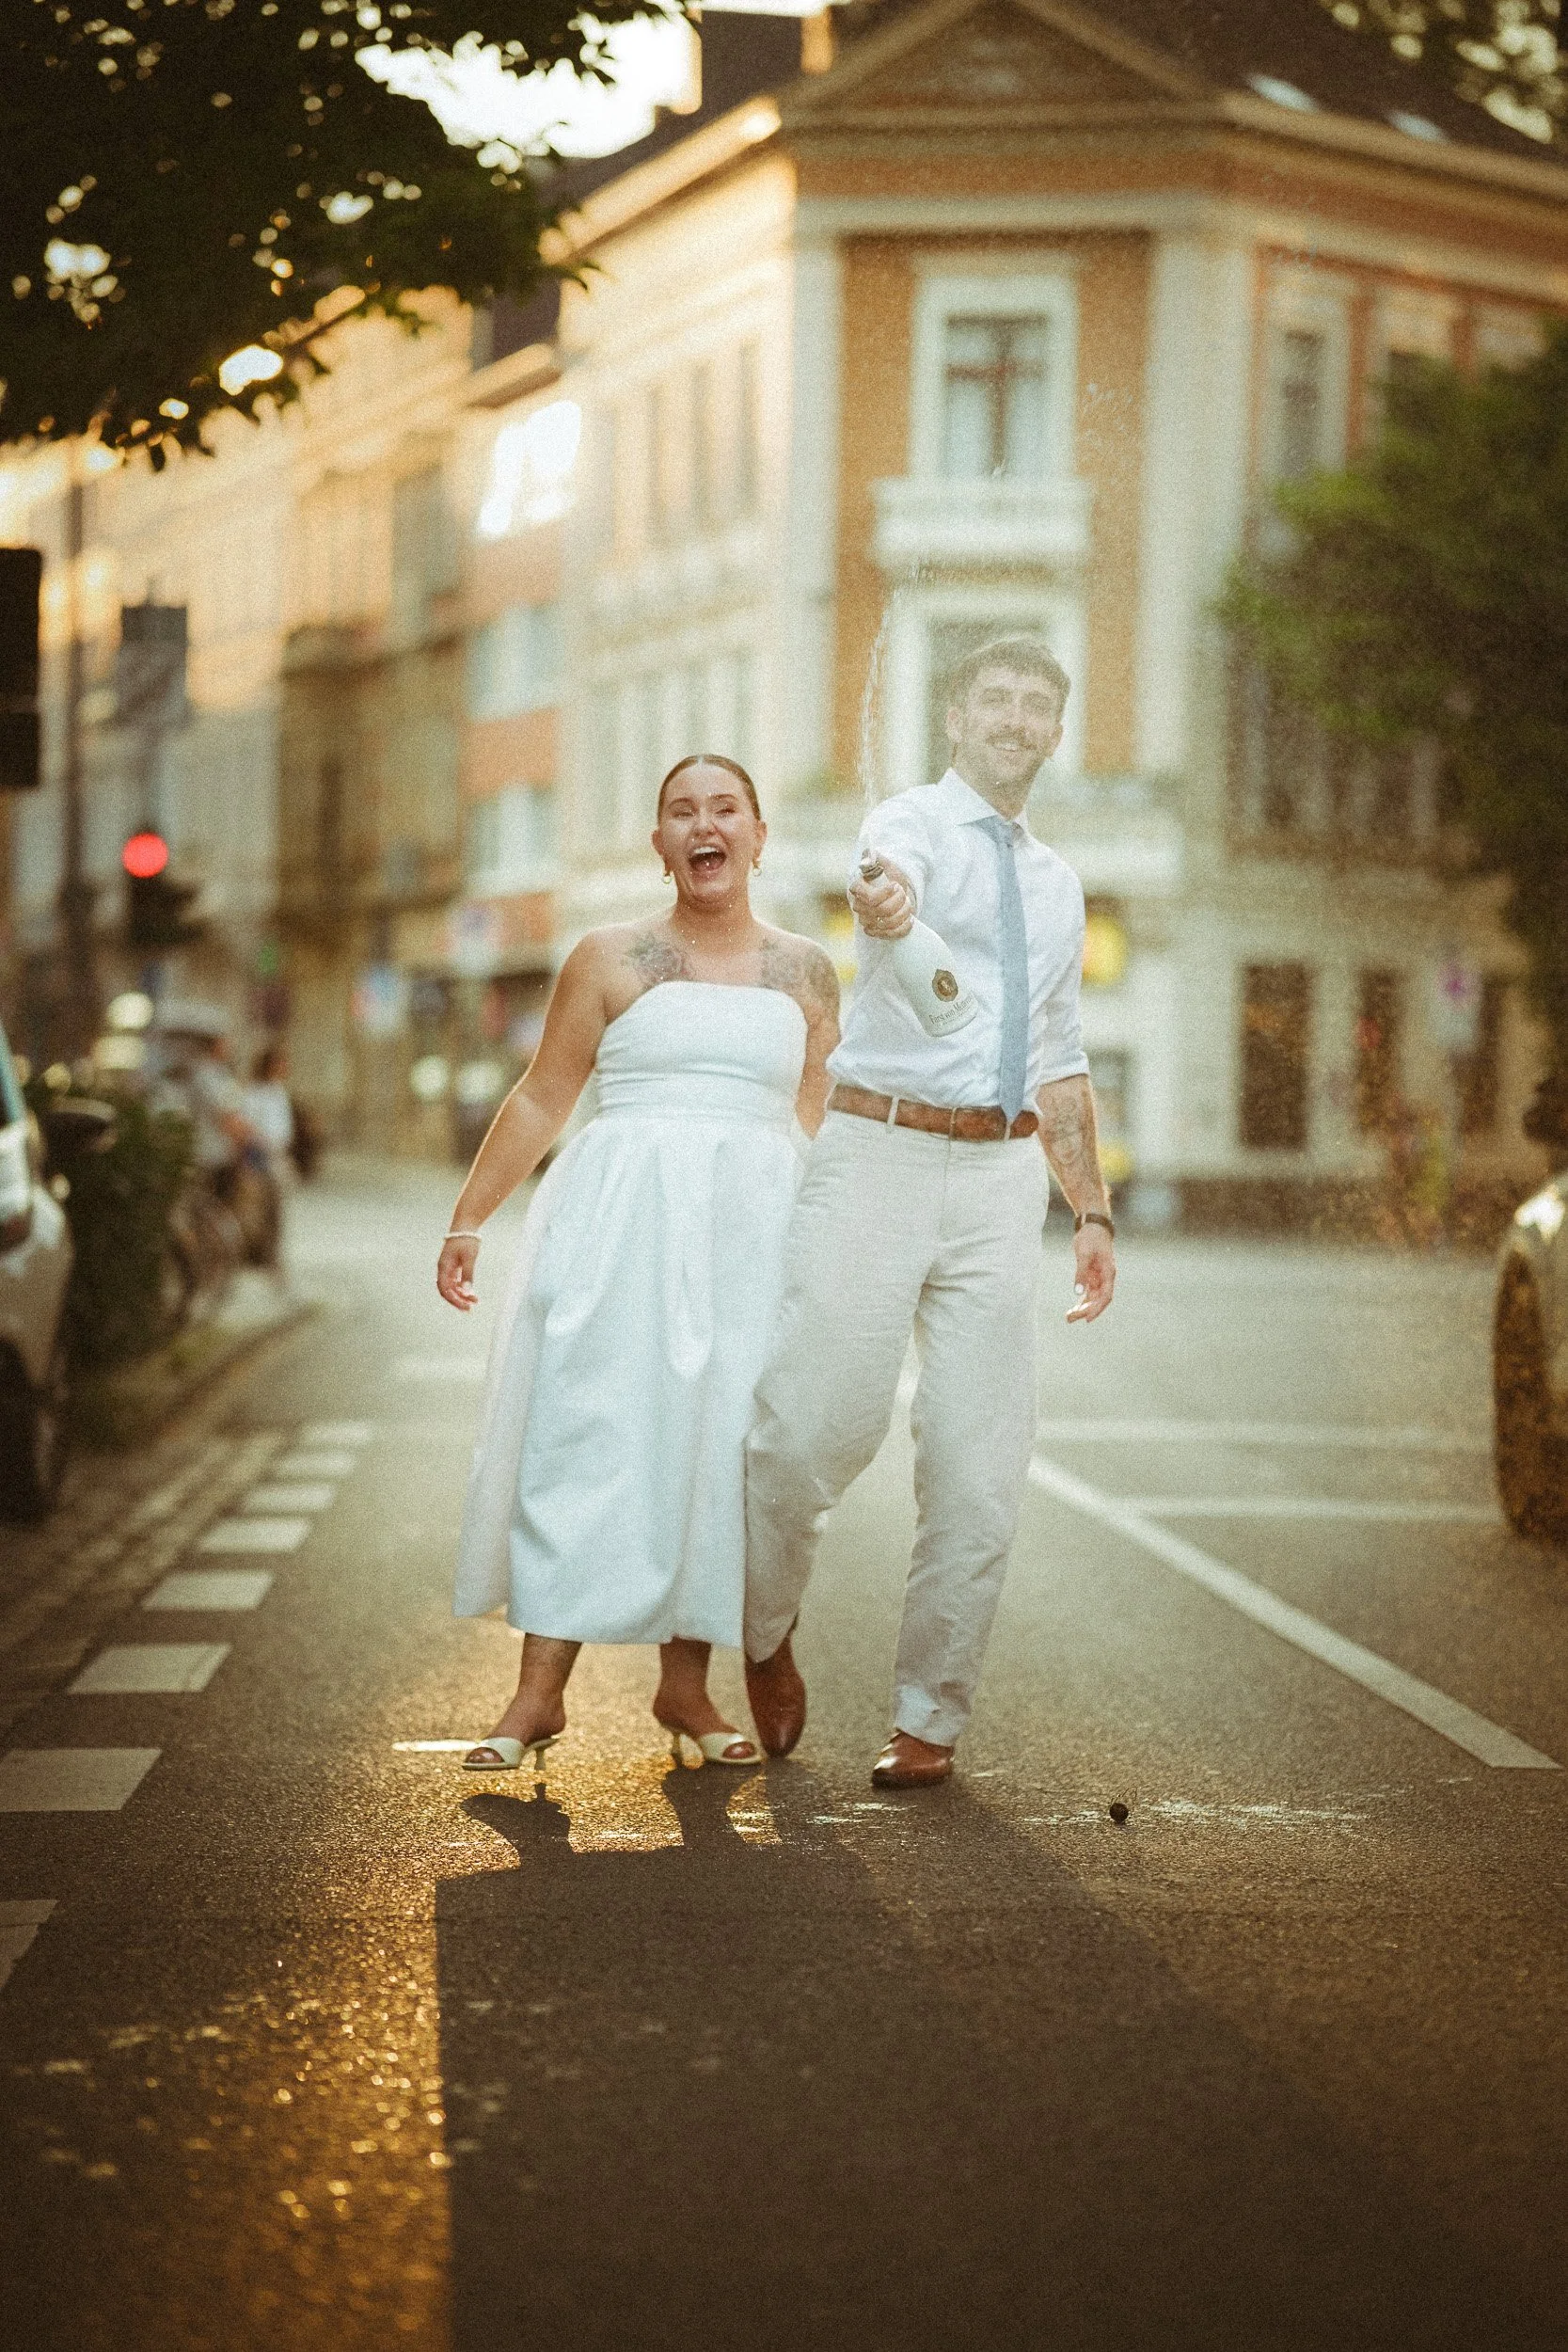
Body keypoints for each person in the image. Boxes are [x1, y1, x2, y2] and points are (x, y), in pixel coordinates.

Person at [743, 636, 1117, 1789]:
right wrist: (891, 908)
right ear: (954, 718)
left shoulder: (1058, 886)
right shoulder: (900, 827)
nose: (1014, 719)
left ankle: (927, 1719)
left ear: (1055, 732)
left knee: (977, 1462)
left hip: (1001, 1181)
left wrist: (1090, 1212)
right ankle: (760, 1630)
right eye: (994, 699)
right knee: (807, 1434)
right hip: (877, 1154)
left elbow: (1055, 1054)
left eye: (1035, 705)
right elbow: (888, 900)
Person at [440, 755, 840, 1774]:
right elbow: (540, 1095)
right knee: (587, 1430)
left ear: (758, 833)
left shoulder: (804, 968)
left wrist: (816, 1232)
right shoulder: (607, 955)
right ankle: (538, 1691)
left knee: (717, 1445)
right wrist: (468, 1218)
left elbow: (818, 1108)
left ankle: (687, 1684)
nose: (703, 825)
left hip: (750, 1233)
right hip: (616, 1224)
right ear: (658, 842)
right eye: (679, 811)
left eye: (723, 809)